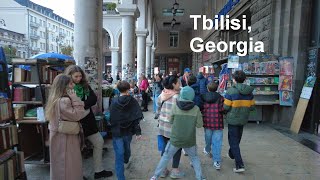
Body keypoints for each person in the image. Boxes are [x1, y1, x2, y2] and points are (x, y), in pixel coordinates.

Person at [65, 65, 113, 179]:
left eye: (80, 76)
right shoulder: (66, 88)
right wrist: (84, 105)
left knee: (99, 142)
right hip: (74, 122)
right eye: (76, 76)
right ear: (69, 76)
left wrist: (81, 105)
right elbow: (68, 105)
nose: (78, 79)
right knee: (76, 150)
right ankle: (78, 175)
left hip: (88, 121)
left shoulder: (84, 85)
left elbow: (93, 99)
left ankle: (98, 170)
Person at [150, 86, 205, 180]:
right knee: (194, 158)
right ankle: (200, 177)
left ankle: (155, 176)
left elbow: (171, 121)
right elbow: (199, 125)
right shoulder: (196, 109)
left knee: (166, 157)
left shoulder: (175, 107)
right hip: (189, 140)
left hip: (175, 139)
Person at [46, 74, 89, 180]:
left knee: (59, 165)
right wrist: (75, 98)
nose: (72, 86)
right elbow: (78, 115)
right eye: (70, 83)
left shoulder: (54, 99)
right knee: (69, 165)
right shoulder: (64, 101)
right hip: (66, 138)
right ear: (64, 86)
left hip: (57, 135)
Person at [109, 81, 143, 180]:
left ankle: (121, 177)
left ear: (118, 90)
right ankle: (125, 163)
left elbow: (111, 117)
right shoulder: (132, 101)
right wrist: (138, 132)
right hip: (128, 131)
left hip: (117, 131)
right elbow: (136, 117)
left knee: (119, 154)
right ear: (128, 89)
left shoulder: (114, 101)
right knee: (126, 150)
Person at [224, 70, 255, 173]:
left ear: (234, 79)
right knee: (236, 140)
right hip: (243, 119)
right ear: (244, 79)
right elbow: (252, 107)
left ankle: (239, 164)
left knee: (233, 141)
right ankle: (232, 153)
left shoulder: (231, 91)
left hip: (232, 120)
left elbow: (226, 107)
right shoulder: (250, 92)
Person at [156, 75, 184, 179]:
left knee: (165, 148)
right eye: (178, 83)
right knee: (177, 147)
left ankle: (163, 170)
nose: (180, 85)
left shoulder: (162, 94)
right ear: (173, 84)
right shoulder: (179, 97)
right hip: (175, 127)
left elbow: (158, 109)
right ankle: (175, 170)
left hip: (163, 127)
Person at [200, 82, 224, 170]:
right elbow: (222, 109)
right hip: (218, 122)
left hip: (207, 121)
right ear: (216, 88)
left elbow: (201, 108)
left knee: (208, 138)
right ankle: (217, 161)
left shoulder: (203, 97)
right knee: (217, 142)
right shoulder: (221, 98)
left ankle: (207, 149)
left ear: (208, 88)